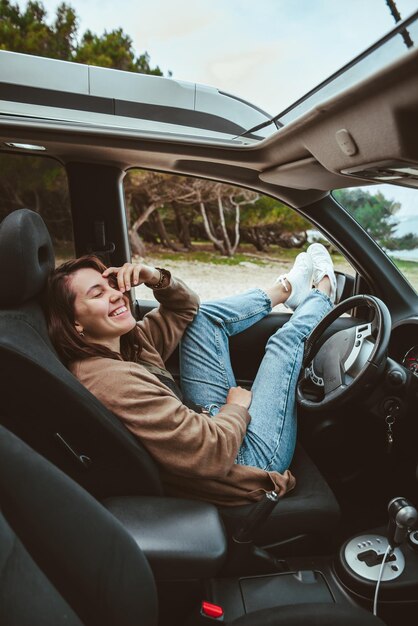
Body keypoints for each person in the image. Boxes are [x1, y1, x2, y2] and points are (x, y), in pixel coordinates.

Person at [46, 243, 336, 506]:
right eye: (98, 294)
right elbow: (210, 453)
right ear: (75, 324)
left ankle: (286, 290)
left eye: (111, 285)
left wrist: (154, 277)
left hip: (207, 424)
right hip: (243, 462)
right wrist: (235, 408)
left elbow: (187, 307)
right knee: (283, 345)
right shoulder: (112, 381)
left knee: (204, 316)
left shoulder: (123, 345)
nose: (116, 295)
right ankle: (324, 293)